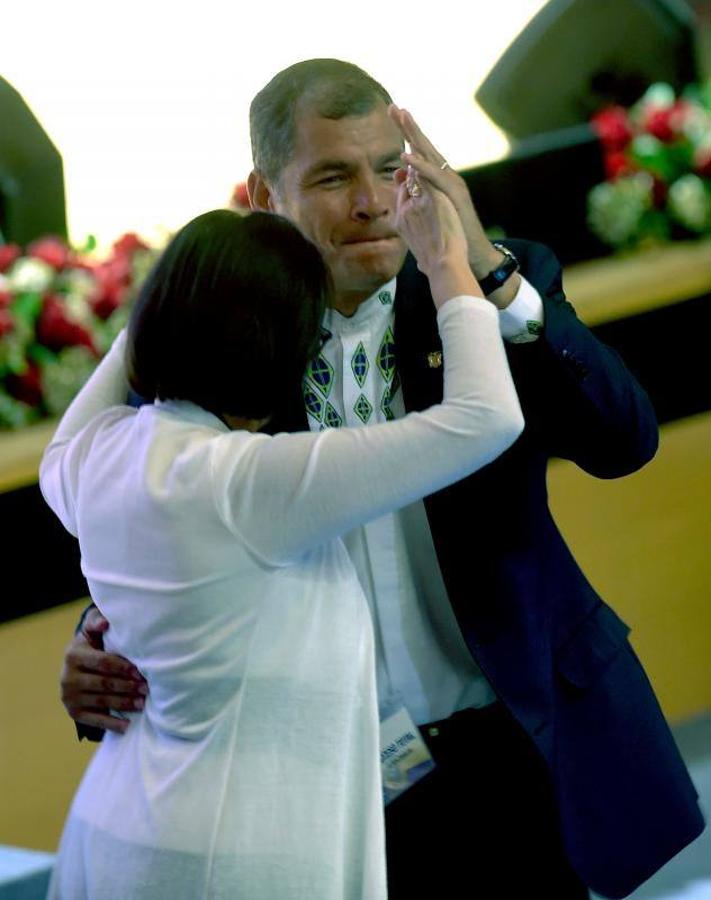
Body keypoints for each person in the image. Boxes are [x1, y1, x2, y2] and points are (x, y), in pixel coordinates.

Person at [58, 60, 704, 899]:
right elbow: (157, 503)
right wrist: (102, 631)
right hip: (319, 776)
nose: (372, 202)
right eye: (333, 177)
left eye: (391, 169)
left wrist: (485, 277)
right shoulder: (219, 331)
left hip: (505, 737)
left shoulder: (491, 284)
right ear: (260, 194)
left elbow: (624, 441)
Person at [41, 190, 524, 899]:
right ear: (281, 349)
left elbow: (101, 397)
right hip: (235, 857)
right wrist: (447, 261)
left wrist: (200, 271)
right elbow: (485, 417)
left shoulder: (91, 458)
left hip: (117, 832)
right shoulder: (244, 482)